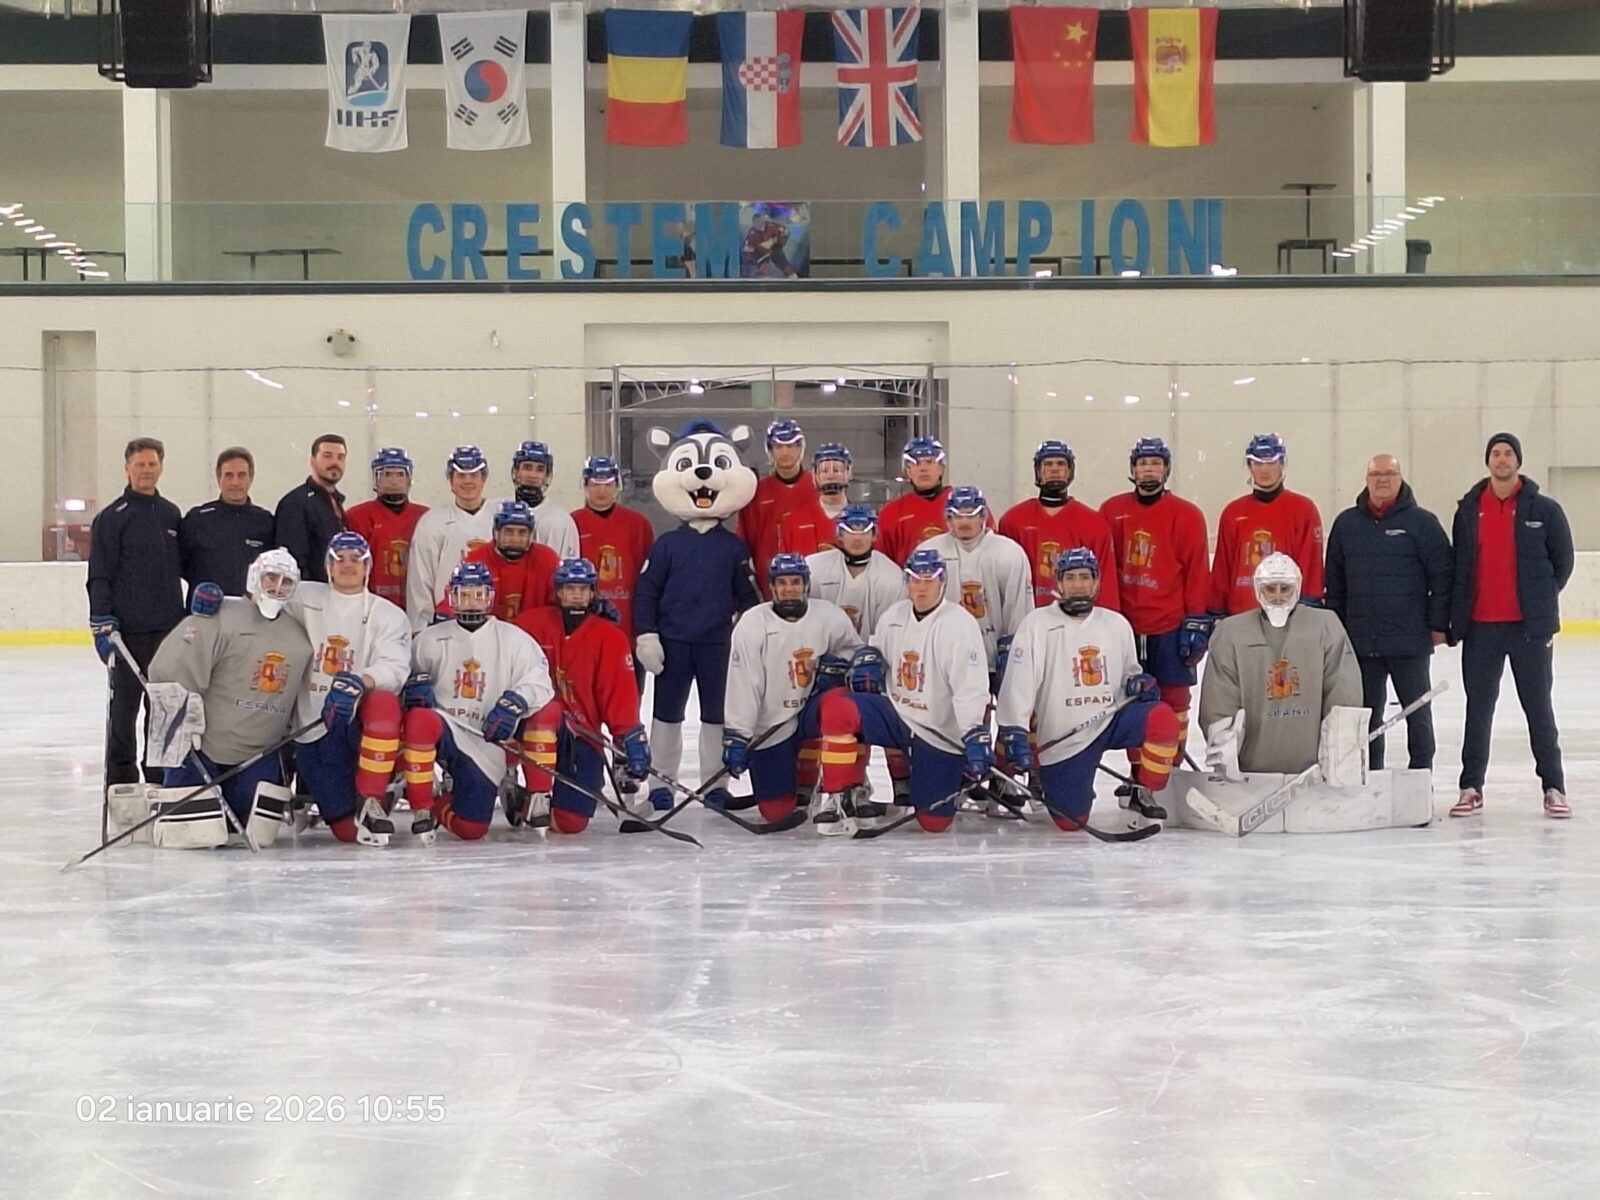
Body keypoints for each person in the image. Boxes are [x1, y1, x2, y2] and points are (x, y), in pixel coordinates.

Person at [996, 548, 1181, 829]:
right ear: (1059, 583)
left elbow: (1129, 673)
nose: (1078, 584)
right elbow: (1019, 685)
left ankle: (1144, 790)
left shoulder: (1116, 623)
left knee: (1161, 718)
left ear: (1096, 582)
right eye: (1070, 577)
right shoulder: (1036, 624)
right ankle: (1057, 781)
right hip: (1066, 736)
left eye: (1085, 577)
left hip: (1109, 720)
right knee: (1071, 821)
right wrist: (1015, 730)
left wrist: (1138, 683)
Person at [813, 548, 992, 833]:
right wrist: (867, 661)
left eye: (929, 580)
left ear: (942, 581)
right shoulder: (894, 615)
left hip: (937, 731)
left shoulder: (960, 624)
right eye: (915, 580)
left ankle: (952, 777)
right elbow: (877, 654)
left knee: (934, 822)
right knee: (837, 705)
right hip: (897, 715)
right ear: (906, 582)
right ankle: (840, 796)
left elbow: (970, 687)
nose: (921, 587)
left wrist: (971, 733)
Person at [146, 548, 314, 844]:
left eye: (286, 581)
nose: (277, 587)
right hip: (202, 750)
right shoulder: (219, 616)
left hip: (258, 754)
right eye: (270, 577)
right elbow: (168, 674)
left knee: (253, 832)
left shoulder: (301, 639)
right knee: (190, 836)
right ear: (254, 577)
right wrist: (183, 726)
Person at [1447, 433, 1575, 819]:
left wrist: (1539, 599)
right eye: (1496, 453)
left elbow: (1563, 562)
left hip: (1528, 629)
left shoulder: (1545, 510)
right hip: (1481, 628)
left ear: (1518, 460)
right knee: (1478, 710)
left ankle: (1553, 787)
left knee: (1539, 709)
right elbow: (1460, 567)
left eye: (1508, 453)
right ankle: (1471, 786)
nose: (1502, 459)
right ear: (1488, 461)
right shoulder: (1469, 509)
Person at [636, 420, 761, 810]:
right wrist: (646, 634)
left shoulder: (734, 547)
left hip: (717, 647)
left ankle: (715, 784)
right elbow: (646, 592)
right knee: (666, 715)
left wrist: (749, 636)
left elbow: (748, 597)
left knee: (715, 717)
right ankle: (661, 782)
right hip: (674, 644)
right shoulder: (667, 545)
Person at [400, 561, 556, 842]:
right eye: (464, 594)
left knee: (470, 829)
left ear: (489, 598)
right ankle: (422, 806)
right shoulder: (430, 639)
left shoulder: (514, 639)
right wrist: (410, 690)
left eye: (478, 594)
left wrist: (516, 702)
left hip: (487, 741)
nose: (471, 602)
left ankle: (530, 795)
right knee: (419, 718)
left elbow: (539, 681)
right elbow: (401, 678)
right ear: (452, 597)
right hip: (448, 730)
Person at [1324, 454, 1453, 772]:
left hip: (1410, 641)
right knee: (1367, 715)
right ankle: (1370, 776)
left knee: (1417, 712)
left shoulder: (1422, 523)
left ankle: (1421, 774)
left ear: (1400, 477)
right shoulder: (1346, 525)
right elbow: (1335, 584)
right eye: (1375, 474)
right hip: (1361, 642)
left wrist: (1438, 625)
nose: (1382, 479)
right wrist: (1337, 632)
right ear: (1366, 480)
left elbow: (1443, 578)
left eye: (1389, 473)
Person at [283, 532, 411, 846]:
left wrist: (360, 682)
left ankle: (373, 797)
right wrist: (224, 604)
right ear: (328, 565)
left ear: (368, 566)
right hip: (314, 726)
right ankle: (360, 799)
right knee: (346, 832)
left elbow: (395, 667)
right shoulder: (303, 596)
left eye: (356, 559)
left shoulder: (388, 614)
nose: (348, 565)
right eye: (339, 559)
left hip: (360, 723)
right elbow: (265, 594)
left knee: (383, 703)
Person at [513, 558, 651, 833]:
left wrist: (630, 737)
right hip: (531, 726)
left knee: (569, 824)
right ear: (558, 591)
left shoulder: (610, 636)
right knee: (546, 715)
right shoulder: (529, 625)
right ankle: (526, 790)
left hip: (582, 734)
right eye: (570, 588)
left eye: (583, 589)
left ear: (592, 593)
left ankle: (522, 801)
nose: (576, 595)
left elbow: (619, 695)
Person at [723, 554, 861, 824]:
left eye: (796, 582)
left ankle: (839, 791)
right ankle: (791, 783)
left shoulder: (829, 616)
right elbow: (744, 683)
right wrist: (738, 735)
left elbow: (855, 655)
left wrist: (839, 668)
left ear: (806, 584)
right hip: (772, 723)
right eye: (782, 582)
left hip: (812, 709)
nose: (789, 588)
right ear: (772, 587)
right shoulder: (752, 623)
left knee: (840, 705)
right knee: (775, 811)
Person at [1199, 553, 1361, 776]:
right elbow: (1219, 700)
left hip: (1314, 771)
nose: (1277, 596)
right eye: (1270, 588)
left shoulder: (1325, 627)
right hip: (1250, 775)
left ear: (1297, 588)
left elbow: (1343, 692)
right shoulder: (1230, 633)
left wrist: (1341, 746)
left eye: (1285, 589)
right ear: (1258, 589)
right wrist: (1224, 742)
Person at [1098, 437, 1212, 751]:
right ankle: (1141, 772)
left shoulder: (1187, 514)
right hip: (1126, 626)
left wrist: (1196, 620)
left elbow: (1196, 571)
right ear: (1133, 469)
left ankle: (1170, 769)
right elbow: (1104, 568)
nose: (1149, 469)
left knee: (1175, 699)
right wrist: (1104, 619)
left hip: (1169, 625)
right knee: (1132, 699)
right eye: (1143, 463)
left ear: (1166, 470)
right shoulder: (1111, 511)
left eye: (1156, 463)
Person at [88, 436, 185, 788]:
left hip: (168, 632)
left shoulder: (171, 514)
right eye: (140, 464)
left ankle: (159, 777)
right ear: (127, 468)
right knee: (124, 714)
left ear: (161, 467)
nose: (146, 470)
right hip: (127, 634)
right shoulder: (111, 518)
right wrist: (102, 622)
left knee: (162, 709)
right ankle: (121, 781)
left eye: (152, 464)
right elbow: (99, 574)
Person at [918, 487, 1032, 694]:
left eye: (971, 515)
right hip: (942, 661)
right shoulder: (929, 552)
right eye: (957, 516)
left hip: (993, 661)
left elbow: (1018, 609)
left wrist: (1015, 653)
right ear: (948, 519)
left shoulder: (1009, 552)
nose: (964, 522)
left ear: (983, 516)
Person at [1208, 433, 1324, 615]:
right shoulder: (1233, 513)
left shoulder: (1303, 510)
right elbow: (1222, 569)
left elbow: (1311, 568)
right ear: (1249, 466)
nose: (1264, 470)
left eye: (1271, 462)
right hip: (1241, 615)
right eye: (1257, 463)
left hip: (1288, 615)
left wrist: (1306, 609)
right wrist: (1216, 611)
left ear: (1282, 463)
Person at [999, 439, 1120, 611]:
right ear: (1038, 471)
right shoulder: (1013, 521)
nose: (1054, 469)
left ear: (1069, 471)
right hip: (1027, 617)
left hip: (1078, 617)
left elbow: (1106, 583)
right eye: (1048, 464)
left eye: (1061, 464)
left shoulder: (1094, 523)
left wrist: (1105, 620)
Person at [571, 455, 655, 686]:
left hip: (628, 628)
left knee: (628, 695)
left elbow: (648, 580)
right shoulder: (572, 523)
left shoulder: (638, 524)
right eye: (595, 484)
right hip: (585, 627)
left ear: (617, 486)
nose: (602, 491)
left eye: (608, 484)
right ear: (585, 485)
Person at [405, 445, 493, 633]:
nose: (467, 481)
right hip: (445, 622)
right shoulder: (432, 522)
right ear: (450, 479)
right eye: (461, 475)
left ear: (484, 478)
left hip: (492, 620)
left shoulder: (499, 519)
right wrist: (420, 627)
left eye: (474, 475)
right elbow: (420, 579)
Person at [179, 446, 274, 600]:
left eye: (241, 475)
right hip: (207, 609)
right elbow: (179, 566)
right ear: (219, 479)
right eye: (229, 475)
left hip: (250, 609)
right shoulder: (197, 519)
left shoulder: (265, 521)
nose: (235, 482)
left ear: (251, 478)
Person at [738, 419, 816, 597]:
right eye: (778, 446)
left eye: (791, 446)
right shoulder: (757, 492)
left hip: (814, 578)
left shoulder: (817, 487)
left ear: (801, 448)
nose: (785, 452)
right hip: (770, 583)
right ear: (770, 451)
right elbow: (745, 539)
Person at [345, 447, 429, 609]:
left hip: (416, 606)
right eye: (387, 474)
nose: (394, 481)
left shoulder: (426, 517)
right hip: (370, 607)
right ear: (376, 479)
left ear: (409, 478)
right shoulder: (356, 516)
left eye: (400, 474)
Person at [805, 504, 905, 637]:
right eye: (850, 531)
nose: (857, 538)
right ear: (839, 534)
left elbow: (889, 632)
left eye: (865, 531)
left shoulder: (891, 575)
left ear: (874, 535)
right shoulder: (813, 568)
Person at [462, 499, 560, 621]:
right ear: (496, 532)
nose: (515, 539)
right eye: (508, 532)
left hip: (536, 630)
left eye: (522, 533)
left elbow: (558, 609)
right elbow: (455, 604)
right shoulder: (475, 561)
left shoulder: (547, 559)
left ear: (531, 535)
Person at [273, 433, 348, 584]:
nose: (335, 462)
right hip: (309, 593)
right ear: (312, 461)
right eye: (327, 456)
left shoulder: (336, 502)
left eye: (340, 457)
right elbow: (292, 560)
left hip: (335, 590)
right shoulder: (296, 503)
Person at [877, 436, 960, 566]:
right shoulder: (891, 513)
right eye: (916, 463)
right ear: (908, 471)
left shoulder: (965, 506)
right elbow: (881, 562)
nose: (923, 469)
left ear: (941, 468)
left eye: (929, 462)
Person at [777, 442, 853, 556]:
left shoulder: (864, 521)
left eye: (837, 470)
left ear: (848, 474)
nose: (830, 475)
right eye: (824, 470)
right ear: (815, 475)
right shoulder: (792, 520)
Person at [507, 441, 580, 561]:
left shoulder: (561, 521)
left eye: (540, 469)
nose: (533, 475)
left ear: (547, 475)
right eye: (527, 467)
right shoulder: (497, 513)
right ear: (516, 471)